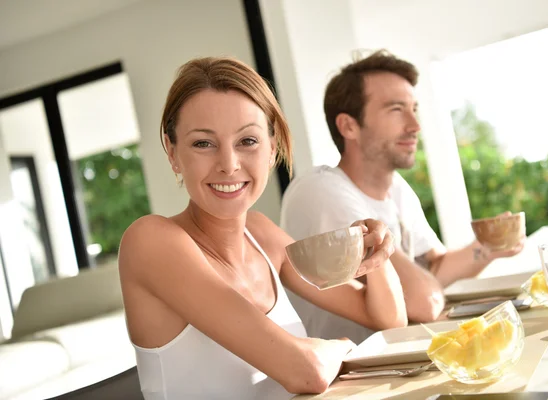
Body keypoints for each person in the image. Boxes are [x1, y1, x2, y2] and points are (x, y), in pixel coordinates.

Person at [118, 56, 408, 400]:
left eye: (247, 141)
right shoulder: (151, 241)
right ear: (172, 151)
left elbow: (388, 319)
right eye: (203, 143)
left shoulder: (261, 235)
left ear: (273, 149)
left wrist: (377, 250)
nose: (228, 165)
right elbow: (308, 372)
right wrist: (342, 347)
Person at [280, 50, 524, 343]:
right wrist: (427, 287)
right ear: (348, 126)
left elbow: (435, 269)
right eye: (396, 109)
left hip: (403, 361)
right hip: (356, 378)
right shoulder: (321, 191)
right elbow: (424, 301)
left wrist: (488, 247)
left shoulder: (397, 189)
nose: (415, 125)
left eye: (414, 109)